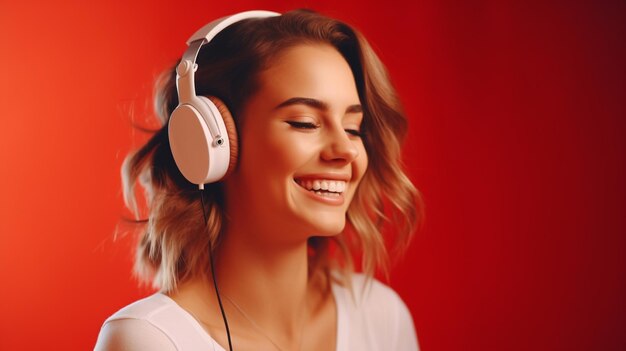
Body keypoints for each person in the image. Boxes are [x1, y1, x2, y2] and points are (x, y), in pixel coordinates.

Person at [95, 9, 422, 351]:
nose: (347, 150)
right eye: (305, 123)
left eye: (354, 128)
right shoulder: (149, 341)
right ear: (212, 144)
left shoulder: (382, 316)